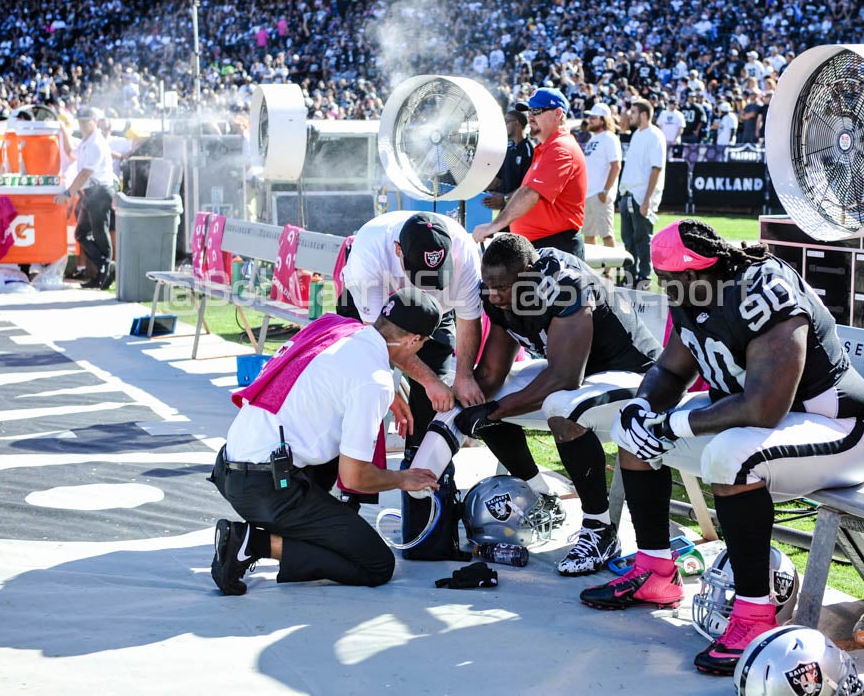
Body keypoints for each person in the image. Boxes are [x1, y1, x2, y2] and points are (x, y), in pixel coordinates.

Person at [579, 220, 864, 677]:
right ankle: (656, 571)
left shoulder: (766, 290)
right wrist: (643, 406)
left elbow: (765, 406)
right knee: (635, 435)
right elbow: (670, 370)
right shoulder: (697, 294)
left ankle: (753, 615)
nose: (667, 290)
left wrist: (680, 420)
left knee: (731, 456)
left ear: (699, 274)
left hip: (840, 428)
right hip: (767, 423)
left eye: (671, 281)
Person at [209, 287, 443, 593]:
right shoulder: (373, 381)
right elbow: (354, 476)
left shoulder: (337, 326)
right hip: (264, 488)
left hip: (232, 466)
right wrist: (402, 478)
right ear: (414, 341)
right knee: (377, 565)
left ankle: (322, 523)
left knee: (336, 457)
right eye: (421, 344)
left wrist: (387, 397)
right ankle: (251, 543)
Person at [455, 233, 662, 576]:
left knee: (562, 409)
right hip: (581, 373)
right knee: (484, 399)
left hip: (635, 378)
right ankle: (540, 496)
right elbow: (492, 372)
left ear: (531, 273)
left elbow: (565, 378)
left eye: (502, 288)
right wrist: (462, 404)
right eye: (489, 287)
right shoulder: (500, 290)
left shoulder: (564, 285)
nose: (494, 296)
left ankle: (600, 529)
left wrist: (499, 409)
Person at [339, 211, 486, 444]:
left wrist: (464, 376)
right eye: (421, 276)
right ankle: (353, 453)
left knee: (437, 385)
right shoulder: (369, 253)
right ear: (398, 250)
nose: (427, 287)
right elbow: (380, 339)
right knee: (362, 380)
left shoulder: (465, 251)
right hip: (376, 310)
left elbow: (469, 318)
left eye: (436, 275)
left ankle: (420, 457)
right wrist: (417, 382)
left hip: (436, 311)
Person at [473, 87, 587, 259]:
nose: (530, 116)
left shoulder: (560, 148)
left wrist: (493, 226)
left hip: (555, 248)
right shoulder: (548, 147)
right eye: (529, 111)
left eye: (536, 111)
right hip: (543, 246)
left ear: (558, 114)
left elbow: (530, 193)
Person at [55, 106, 116, 289]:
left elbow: (84, 173)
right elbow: (70, 153)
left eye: (85, 121)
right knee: (82, 233)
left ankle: (104, 270)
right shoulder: (87, 141)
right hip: (90, 193)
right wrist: (64, 130)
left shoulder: (96, 142)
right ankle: (104, 267)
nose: (81, 125)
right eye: (80, 122)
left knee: (99, 232)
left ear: (94, 122)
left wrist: (68, 193)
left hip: (99, 191)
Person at [616, 98, 666, 290]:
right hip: (629, 192)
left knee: (643, 239)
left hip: (642, 195)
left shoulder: (655, 135)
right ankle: (630, 276)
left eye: (634, 112)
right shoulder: (637, 133)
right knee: (628, 239)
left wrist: (647, 200)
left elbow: (656, 168)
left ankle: (644, 278)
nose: (631, 115)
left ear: (644, 114)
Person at [580, 103, 622, 250]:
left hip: (600, 194)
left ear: (603, 120)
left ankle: (609, 272)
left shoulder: (610, 138)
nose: (589, 120)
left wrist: (605, 191)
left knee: (607, 235)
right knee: (588, 236)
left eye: (593, 117)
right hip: (589, 194)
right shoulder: (593, 139)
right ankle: (592, 271)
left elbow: (616, 166)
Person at [482, 108, 533, 213]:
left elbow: (527, 188)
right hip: (505, 209)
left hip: (521, 210)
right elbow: (497, 179)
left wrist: (504, 198)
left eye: (506, 122)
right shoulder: (508, 148)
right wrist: (478, 190)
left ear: (516, 123)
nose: (503, 126)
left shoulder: (529, 151)